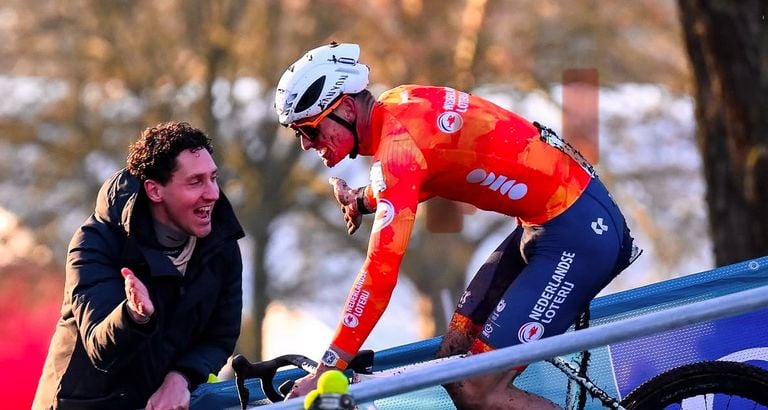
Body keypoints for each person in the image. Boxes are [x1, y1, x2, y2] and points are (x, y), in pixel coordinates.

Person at [274, 42, 640, 409]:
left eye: (311, 129)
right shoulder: (398, 105)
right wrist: (363, 199)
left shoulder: (400, 146)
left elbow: (380, 272)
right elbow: (422, 174)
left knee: (479, 389)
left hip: (577, 235)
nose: (307, 145)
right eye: (299, 134)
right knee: (454, 354)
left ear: (347, 108)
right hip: (547, 224)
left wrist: (328, 368)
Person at [33, 121, 245, 410]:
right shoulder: (96, 242)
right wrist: (134, 317)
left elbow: (220, 337)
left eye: (213, 178)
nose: (213, 194)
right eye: (195, 182)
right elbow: (101, 350)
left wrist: (180, 377)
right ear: (155, 191)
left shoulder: (222, 244)